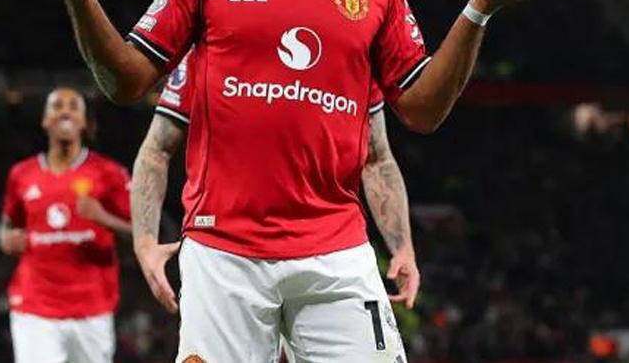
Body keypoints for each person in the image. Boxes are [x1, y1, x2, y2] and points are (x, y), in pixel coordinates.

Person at [0, 0, 577, 361]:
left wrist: (478, 11)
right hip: (222, 253)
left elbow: (419, 113)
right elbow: (126, 83)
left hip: (336, 251)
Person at [132, 50, 418, 361]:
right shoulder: (208, 46)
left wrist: (403, 247)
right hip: (224, 254)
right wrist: (144, 241)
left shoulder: (356, 46)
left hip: (337, 251)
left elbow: (377, 159)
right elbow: (157, 149)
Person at [0, 87, 132, 363]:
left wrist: (103, 218)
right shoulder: (21, 175)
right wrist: (5, 238)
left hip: (92, 308)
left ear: (83, 122)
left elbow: (144, 235)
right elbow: (6, 225)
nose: (65, 111)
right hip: (34, 308)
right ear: (45, 120)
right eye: (57, 106)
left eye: (73, 106)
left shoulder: (109, 173)